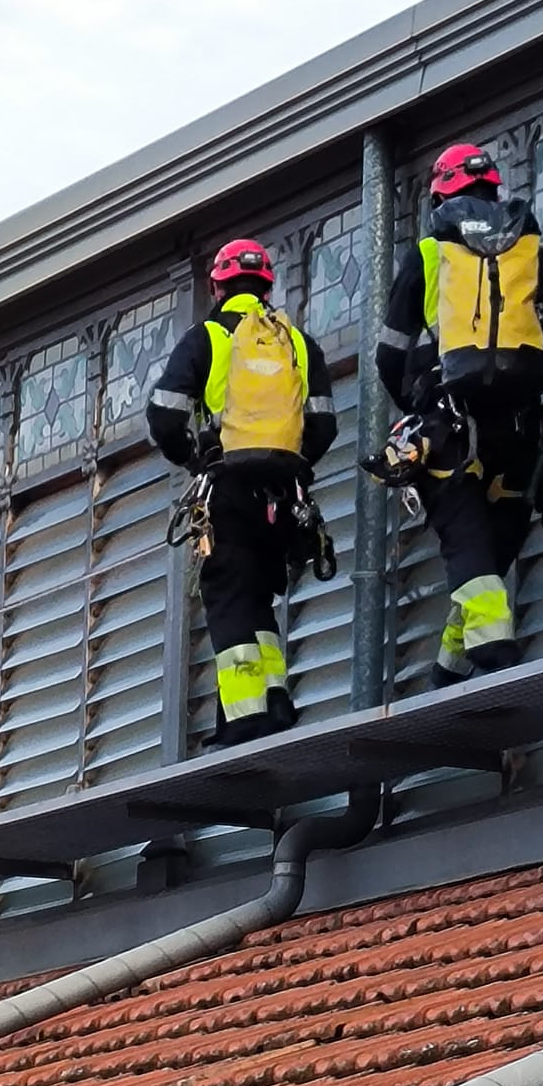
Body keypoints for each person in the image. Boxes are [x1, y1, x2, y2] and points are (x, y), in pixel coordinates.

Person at [374, 143, 543, 687]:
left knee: (466, 542)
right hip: (520, 427)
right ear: (492, 186)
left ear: (439, 194)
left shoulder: (429, 252)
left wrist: (418, 394)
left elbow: (389, 354)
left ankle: (493, 657)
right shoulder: (531, 245)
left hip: (451, 427)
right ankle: (449, 670)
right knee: (492, 548)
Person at [147, 240, 338, 747]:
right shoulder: (298, 342)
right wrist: (291, 465)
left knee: (229, 597)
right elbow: (324, 426)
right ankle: (275, 705)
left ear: (217, 285)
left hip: (226, 487)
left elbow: (163, 413)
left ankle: (247, 718)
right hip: (282, 493)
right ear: (267, 285)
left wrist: (196, 457)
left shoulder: (207, 337)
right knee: (257, 597)